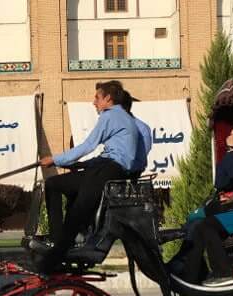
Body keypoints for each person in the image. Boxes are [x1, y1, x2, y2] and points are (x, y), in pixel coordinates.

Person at [33, 80, 152, 273]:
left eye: (97, 97)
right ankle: (61, 240)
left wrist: (55, 159)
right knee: (55, 184)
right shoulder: (124, 120)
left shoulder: (111, 115)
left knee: (77, 212)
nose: (94, 102)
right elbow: (110, 154)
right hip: (105, 168)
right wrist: (76, 164)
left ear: (108, 99)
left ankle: (55, 255)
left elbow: (88, 145)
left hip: (108, 171)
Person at [172, 129, 233, 286]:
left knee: (203, 224)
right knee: (194, 222)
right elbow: (220, 182)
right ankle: (191, 271)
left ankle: (221, 273)